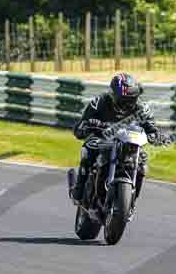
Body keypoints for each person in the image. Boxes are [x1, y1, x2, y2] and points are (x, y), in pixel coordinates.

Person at [70, 73, 166, 203]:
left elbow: (151, 126)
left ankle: (130, 199)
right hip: (102, 137)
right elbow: (79, 127)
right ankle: (78, 191)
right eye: (124, 100)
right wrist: (86, 127)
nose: (128, 103)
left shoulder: (141, 108)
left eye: (132, 99)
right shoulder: (99, 102)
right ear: (113, 95)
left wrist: (155, 135)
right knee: (88, 150)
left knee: (142, 162)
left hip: (127, 140)